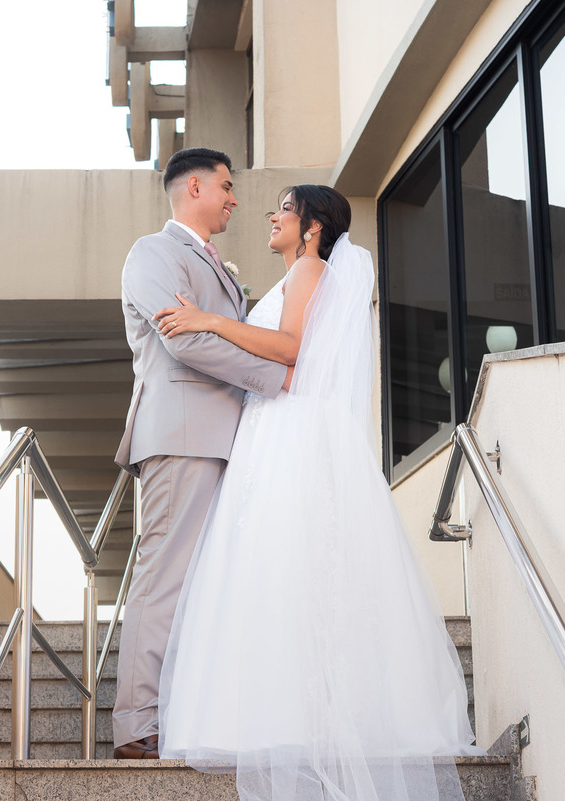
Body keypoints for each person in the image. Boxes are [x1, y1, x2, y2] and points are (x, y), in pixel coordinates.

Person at [153, 185, 483, 801]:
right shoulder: (307, 272)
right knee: (293, 568)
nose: (273, 215)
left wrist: (205, 320)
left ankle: (283, 717)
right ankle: (297, 712)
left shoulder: (310, 267)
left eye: (284, 207)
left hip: (292, 429)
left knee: (284, 565)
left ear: (311, 228)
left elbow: (290, 349)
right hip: (280, 425)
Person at [112, 148, 289, 759]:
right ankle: (137, 724)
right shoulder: (153, 253)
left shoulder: (216, 265)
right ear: (194, 187)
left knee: (202, 585)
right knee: (164, 579)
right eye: (226, 186)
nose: (235, 198)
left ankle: (181, 710)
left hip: (225, 441)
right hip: (184, 436)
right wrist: (274, 375)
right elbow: (182, 340)